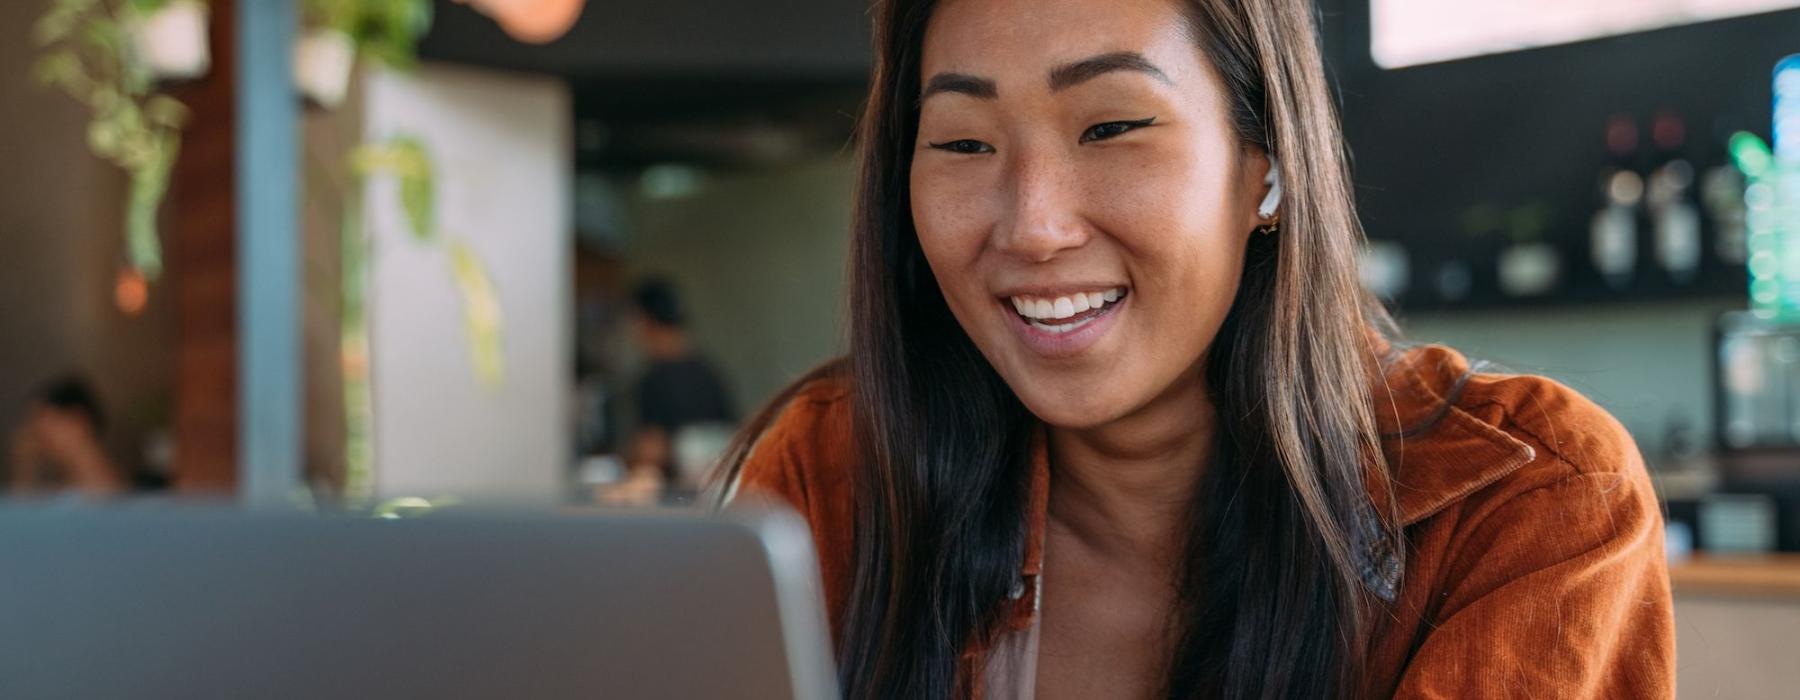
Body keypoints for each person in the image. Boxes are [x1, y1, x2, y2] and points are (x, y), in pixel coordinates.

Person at [714, 0, 1675, 698]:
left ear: (1267, 165)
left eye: (1114, 126)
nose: (1033, 226)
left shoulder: (1528, 503)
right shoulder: (829, 473)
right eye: (963, 143)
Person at [610, 277, 735, 503]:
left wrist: (621, 462)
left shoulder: (655, 379)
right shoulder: (710, 372)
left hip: (674, 501)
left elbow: (652, 450)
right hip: (714, 500)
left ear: (644, 321)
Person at [7, 376, 125, 499]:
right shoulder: (58, 492)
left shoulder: (112, 492)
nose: (35, 438)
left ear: (78, 420)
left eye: (41, 421)